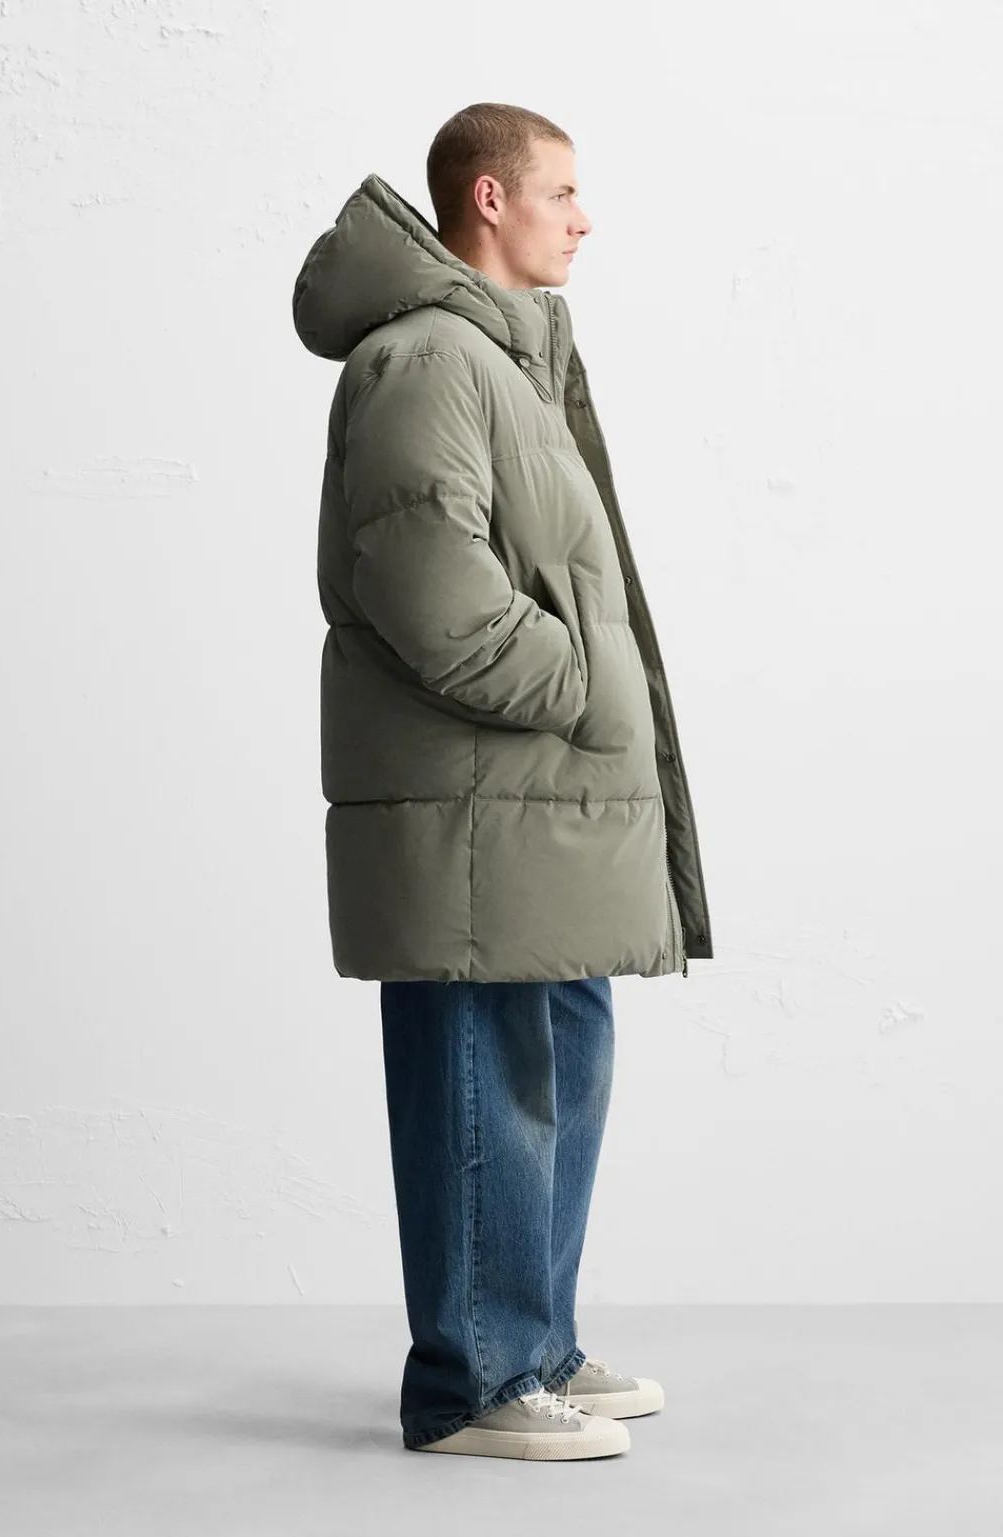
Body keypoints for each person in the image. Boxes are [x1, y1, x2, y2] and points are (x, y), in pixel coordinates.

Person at [292, 102, 713, 1461]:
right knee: (488, 1079)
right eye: (563, 192)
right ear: (489, 199)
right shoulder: (428, 359)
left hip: (537, 810)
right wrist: (582, 679)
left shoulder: (506, 359)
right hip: (478, 813)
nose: (584, 218)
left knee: (556, 1069)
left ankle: (533, 1342)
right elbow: (432, 591)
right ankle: (471, 1382)